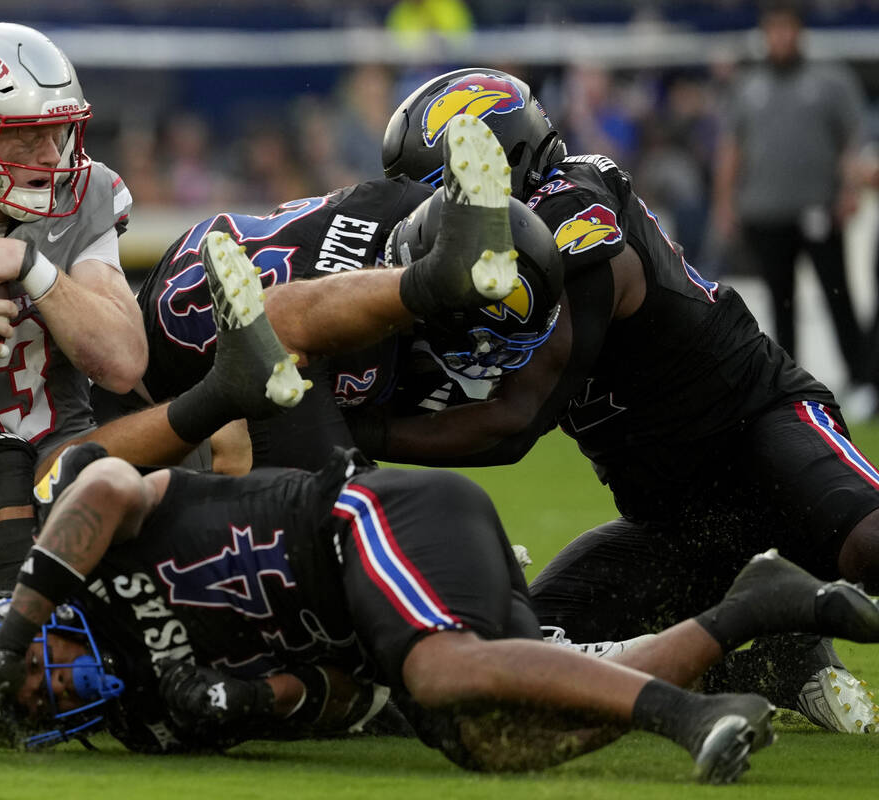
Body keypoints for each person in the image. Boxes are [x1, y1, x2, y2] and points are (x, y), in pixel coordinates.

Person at [375, 66, 879, 734]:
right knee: (525, 652)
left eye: (443, 192)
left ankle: (786, 621)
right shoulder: (499, 247)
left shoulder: (578, 216)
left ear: (503, 166)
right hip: (672, 520)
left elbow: (514, 421)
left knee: (869, 541)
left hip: (759, 434)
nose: (432, 219)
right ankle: (763, 659)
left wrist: (350, 434)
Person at [0, 435, 879, 783]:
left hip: (360, 520)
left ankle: (686, 716)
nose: (54, 687)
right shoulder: (146, 725)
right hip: (376, 617)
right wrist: (264, 704)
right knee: (487, 734)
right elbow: (343, 697)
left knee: (439, 670)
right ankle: (753, 613)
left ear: (33, 622)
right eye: (43, 706)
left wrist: (7, 635)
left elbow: (99, 487)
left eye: (37, 671)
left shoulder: (78, 556)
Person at [0, 23, 313, 597]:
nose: (53, 155)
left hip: (94, 449)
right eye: (27, 137)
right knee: (141, 456)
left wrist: (31, 264)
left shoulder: (82, 194)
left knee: (249, 427)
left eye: (60, 132)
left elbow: (123, 362)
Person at [104, 113, 557, 473]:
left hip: (196, 272)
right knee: (326, 515)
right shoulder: (359, 348)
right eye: (490, 347)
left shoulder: (402, 200)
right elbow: (270, 451)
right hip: (158, 385)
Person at [711, 1, 867, 392]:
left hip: (818, 209)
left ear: (800, 32)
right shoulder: (749, 86)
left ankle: (863, 378)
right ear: (764, 34)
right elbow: (732, 149)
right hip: (766, 211)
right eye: (773, 30)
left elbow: (852, 140)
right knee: (780, 301)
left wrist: (849, 190)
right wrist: (724, 203)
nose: (780, 38)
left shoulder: (830, 80)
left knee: (837, 294)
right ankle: (790, 382)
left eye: (787, 29)